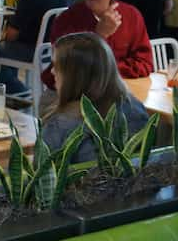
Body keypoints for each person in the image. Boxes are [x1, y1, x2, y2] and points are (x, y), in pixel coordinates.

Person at [42, 0, 153, 89]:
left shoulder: (131, 16)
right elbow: (66, 68)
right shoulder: (67, 19)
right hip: (74, 95)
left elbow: (145, 63)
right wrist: (98, 36)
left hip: (121, 91)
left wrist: (106, 72)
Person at [42, 32, 149, 163]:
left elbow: (42, 176)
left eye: (56, 66)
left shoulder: (60, 125)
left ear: (75, 76)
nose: (52, 71)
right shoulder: (135, 108)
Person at [0, 0, 67, 94]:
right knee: (7, 47)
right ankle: (13, 91)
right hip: (51, 48)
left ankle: (16, 91)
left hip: (31, 49)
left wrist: (1, 37)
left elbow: (12, 34)